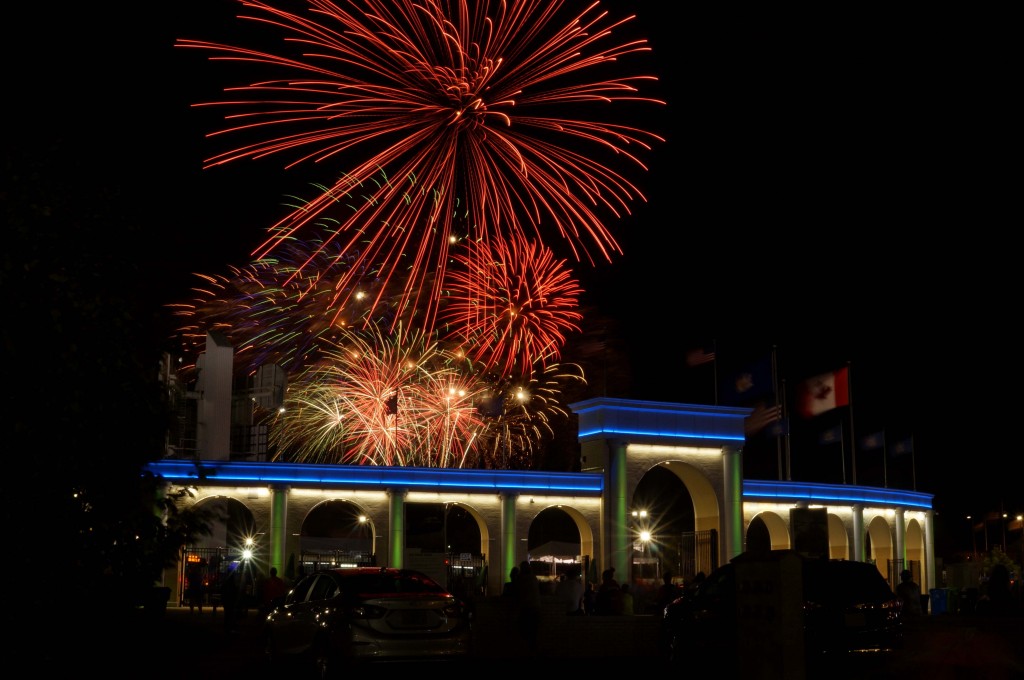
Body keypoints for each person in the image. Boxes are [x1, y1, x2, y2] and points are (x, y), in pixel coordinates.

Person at [516, 560, 542, 654]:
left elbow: (517, 593)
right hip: (536, 608)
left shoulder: (521, 579)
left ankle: (526, 651)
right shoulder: (533, 578)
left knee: (524, 631)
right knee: (534, 633)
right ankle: (533, 651)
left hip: (526, 609)